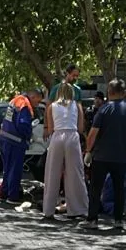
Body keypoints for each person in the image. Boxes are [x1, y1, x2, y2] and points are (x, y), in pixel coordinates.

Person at [82, 79, 126, 231]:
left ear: (109, 93)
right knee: (119, 188)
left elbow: (93, 133)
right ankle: (118, 220)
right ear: (124, 93)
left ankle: (93, 220)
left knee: (96, 188)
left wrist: (88, 151)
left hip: (101, 156)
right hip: (121, 156)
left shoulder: (104, 110)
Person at [42, 82, 89, 219]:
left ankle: (48, 210)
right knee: (75, 174)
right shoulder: (77, 106)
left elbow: (50, 129)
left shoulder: (52, 107)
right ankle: (78, 209)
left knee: (52, 173)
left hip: (57, 136)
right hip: (72, 136)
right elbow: (80, 128)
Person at [0, 88, 44, 205]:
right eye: (38, 101)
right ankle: (12, 196)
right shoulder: (25, 105)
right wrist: (30, 135)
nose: (37, 104)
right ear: (33, 97)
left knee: (7, 169)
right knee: (15, 169)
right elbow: (23, 124)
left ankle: (3, 194)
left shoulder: (15, 100)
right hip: (15, 141)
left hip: (4, 138)